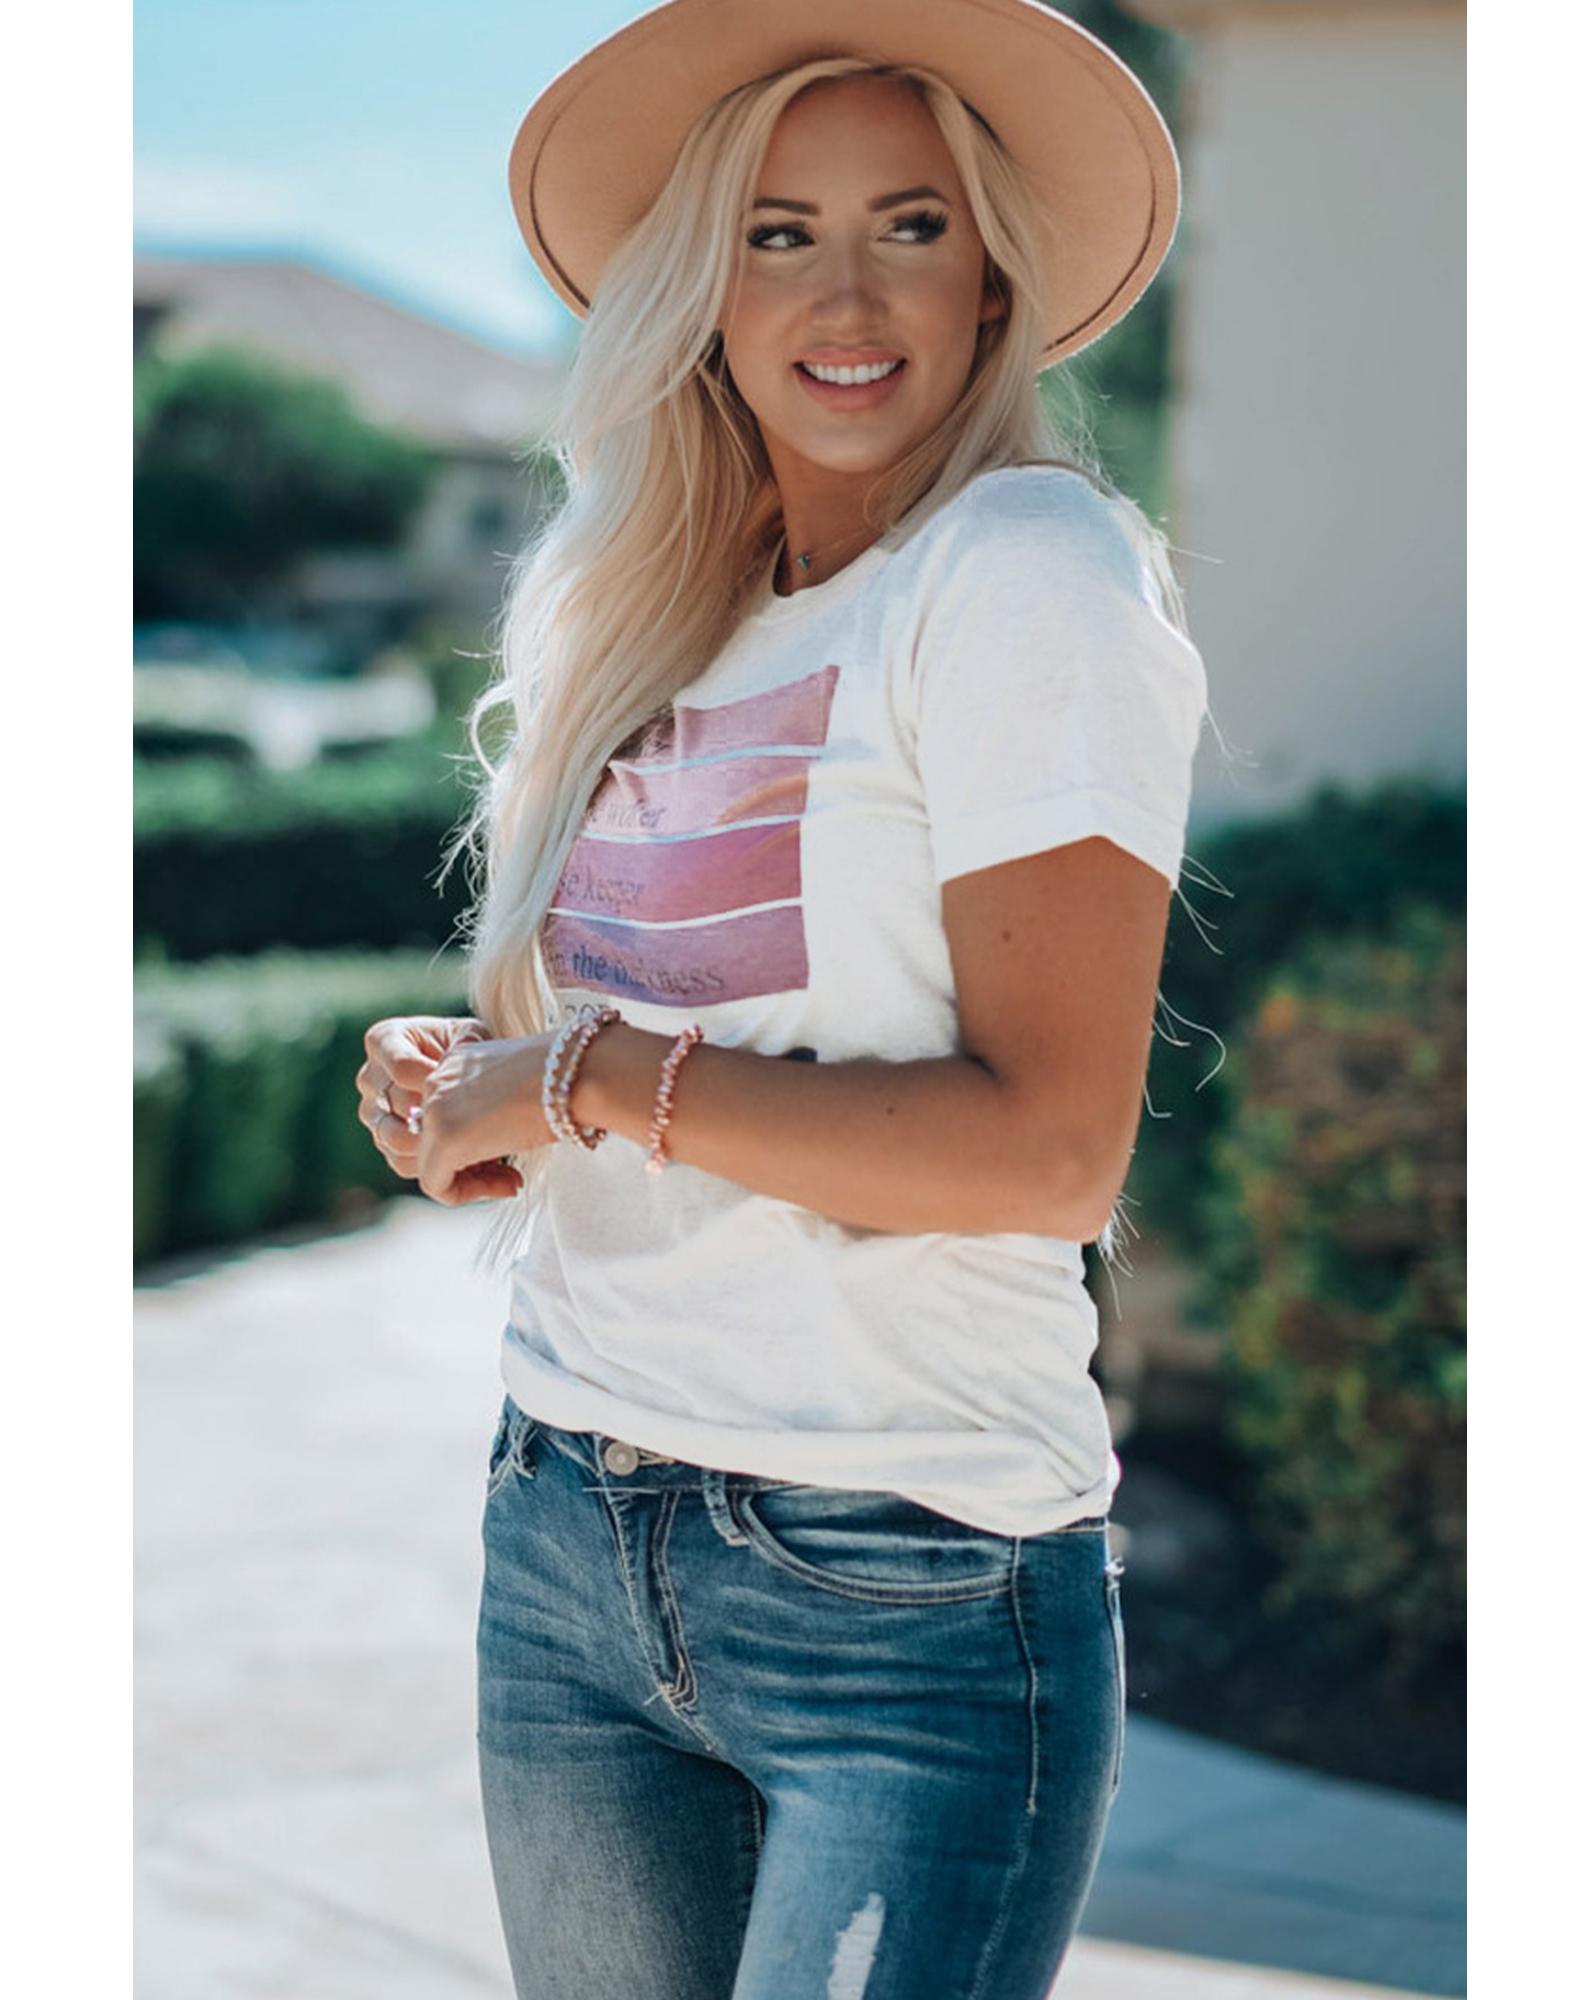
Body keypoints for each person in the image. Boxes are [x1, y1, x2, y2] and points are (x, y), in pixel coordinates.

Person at [354, 3, 1209, 1993]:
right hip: (568, 1520)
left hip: (903, 1571)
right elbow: (649, 1070)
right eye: (775, 233)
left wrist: (576, 1076)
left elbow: (1049, 1151)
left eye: (910, 225)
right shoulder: (668, 610)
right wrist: (476, 1084)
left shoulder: (1023, 569)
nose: (846, 297)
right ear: (701, 291)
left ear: (989, 274)